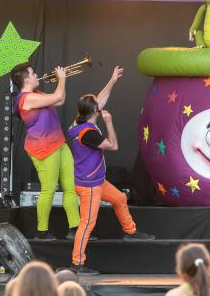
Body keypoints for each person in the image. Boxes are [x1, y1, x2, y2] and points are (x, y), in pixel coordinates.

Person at [69, 67, 155, 276]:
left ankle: (130, 231)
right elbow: (113, 145)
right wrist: (109, 122)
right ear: (95, 112)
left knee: (119, 198)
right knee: (87, 224)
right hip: (89, 186)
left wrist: (112, 80)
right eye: (98, 107)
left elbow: (99, 99)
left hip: (96, 180)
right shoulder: (88, 134)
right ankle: (77, 264)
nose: (100, 106)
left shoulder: (78, 121)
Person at [11, 63, 79, 240]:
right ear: (26, 80)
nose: (36, 75)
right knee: (49, 189)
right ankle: (42, 231)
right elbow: (58, 96)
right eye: (33, 74)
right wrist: (61, 79)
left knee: (71, 188)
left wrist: (61, 81)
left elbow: (60, 100)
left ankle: (75, 228)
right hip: (43, 147)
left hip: (59, 143)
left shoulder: (37, 94)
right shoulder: (26, 99)